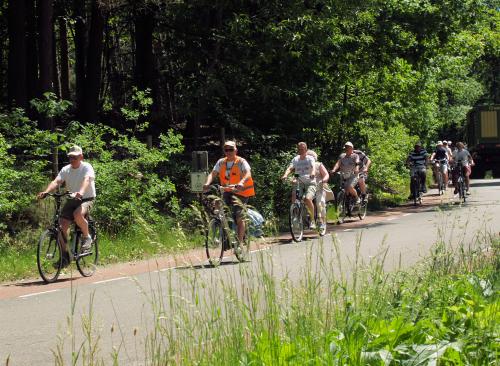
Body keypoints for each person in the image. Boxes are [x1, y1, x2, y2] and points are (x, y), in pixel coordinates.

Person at [37, 145, 96, 266]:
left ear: (81, 157)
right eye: (70, 157)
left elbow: (87, 180)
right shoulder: (66, 169)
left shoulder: (87, 167)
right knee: (61, 227)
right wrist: (46, 192)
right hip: (72, 199)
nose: (72, 159)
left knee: (77, 214)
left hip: (87, 198)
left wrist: (81, 192)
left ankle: (87, 237)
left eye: (74, 157)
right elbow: (56, 181)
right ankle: (65, 257)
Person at [203, 140, 255, 244]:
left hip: (241, 192)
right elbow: (213, 174)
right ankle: (219, 231)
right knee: (217, 204)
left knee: (239, 216)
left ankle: (240, 243)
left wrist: (241, 182)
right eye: (226, 150)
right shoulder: (221, 162)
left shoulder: (241, 162)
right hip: (227, 190)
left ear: (236, 150)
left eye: (231, 149)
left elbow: (248, 173)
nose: (228, 151)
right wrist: (207, 183)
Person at [281, 142, 317, 228]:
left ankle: (312, 220)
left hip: (310, 181)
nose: (300, 151)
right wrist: (285, 174)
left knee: (307, 199)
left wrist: (312, 173)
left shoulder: (310, 158)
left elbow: (313, 167)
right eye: (299, 149)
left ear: (306, 150)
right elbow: (290, 168)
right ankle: (296, 215)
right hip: (299, 181)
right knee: (294, 197)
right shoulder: (295, 159)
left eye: (302, 149)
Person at [306, 150, 330, 231]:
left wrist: (324, 180)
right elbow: (297, 173)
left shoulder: (318, 165)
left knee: (320, 202)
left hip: (319, 187)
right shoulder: (303, 166)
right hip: (308, 187)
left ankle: (322, 221)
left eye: (310, 156)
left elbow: (326, 174)